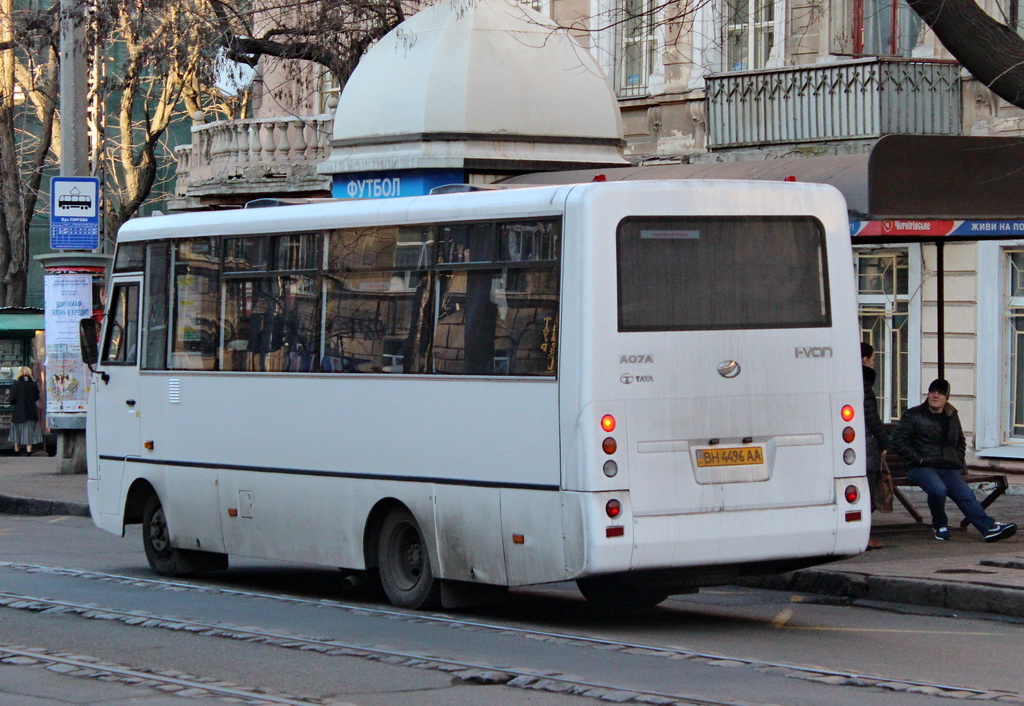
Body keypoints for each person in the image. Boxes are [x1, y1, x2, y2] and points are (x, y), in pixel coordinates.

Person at [889, 378, 1017, 542]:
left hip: (947, 466)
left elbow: (960, 440)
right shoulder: (914, 415)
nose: (936, 395)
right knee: (938, 490)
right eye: (933, 391)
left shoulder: (951, 415)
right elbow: (896, 440)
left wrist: (957, 459)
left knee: (965, 495)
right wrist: (918, 459)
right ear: (928, 394)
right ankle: (940, 525)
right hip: (920, 467)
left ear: (946, 397)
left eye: (941, 393)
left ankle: (989, 529)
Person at [861, 342, 888, 549]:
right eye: (872, 358)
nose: (874, 362)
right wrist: (885, 441)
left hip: (857, 443)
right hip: (867, 443)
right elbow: (872, 419)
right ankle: (863, 536)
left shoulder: (849, 380)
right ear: (864, 360)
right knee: (868, 490)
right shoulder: (864, 386)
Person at [8, 366, 42, 456]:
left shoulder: (16, 384)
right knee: (29, 432)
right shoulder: (34, 384)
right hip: (31, 412)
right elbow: (37, 397)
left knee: (17, 432)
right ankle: (29, 452)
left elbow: (12, 399)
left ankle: (16, 451)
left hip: (19, 412)